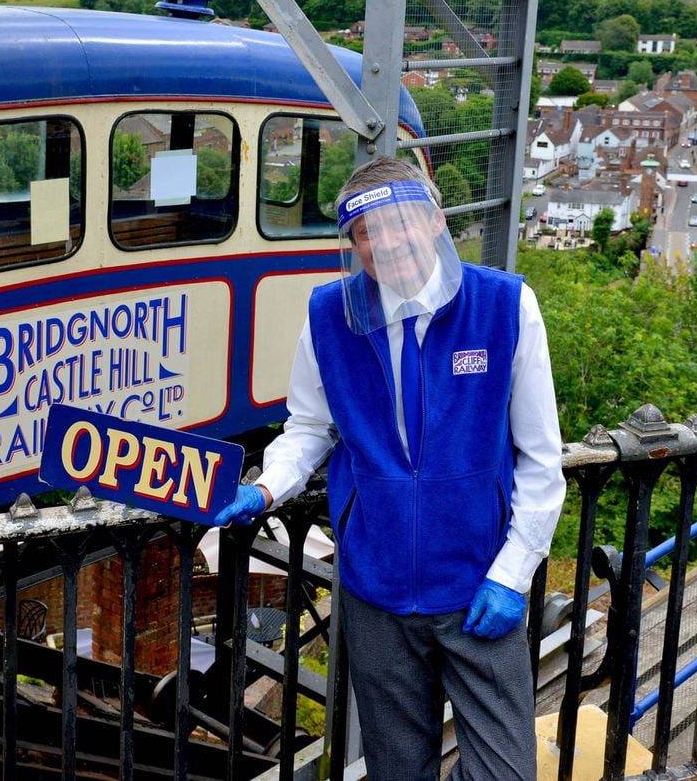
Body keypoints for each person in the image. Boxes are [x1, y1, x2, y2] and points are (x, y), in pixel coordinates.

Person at [216, 156, 565, 780]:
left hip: (478, 584)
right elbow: (309, 428)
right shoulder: (329, 315)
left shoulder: (505, 307)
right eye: (367, 232)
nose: (387, 242)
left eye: (400, 221)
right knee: (397, 771)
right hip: (376, 590)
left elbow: (541, 461)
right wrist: (266, 488)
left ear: (433, 221)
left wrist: (513, 575)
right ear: (353, 244)